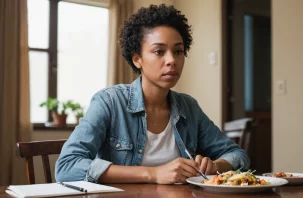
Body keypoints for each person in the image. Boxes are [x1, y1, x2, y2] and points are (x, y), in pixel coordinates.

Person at [55, 4, 249, 184]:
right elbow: (67, 166)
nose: (171, 60)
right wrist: (154, 173)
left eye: (179, 51)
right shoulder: (109, 102)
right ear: (137, 59)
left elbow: (238, 155)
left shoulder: (189, 108)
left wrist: (215, 166)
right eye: (159, 52)